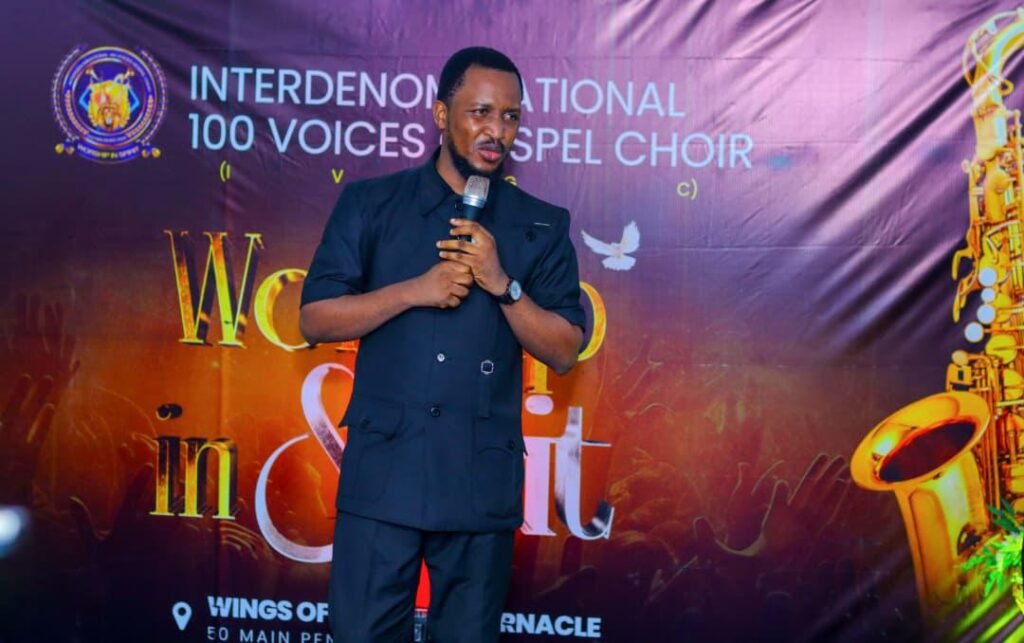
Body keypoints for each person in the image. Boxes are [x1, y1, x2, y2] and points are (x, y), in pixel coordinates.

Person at [299, 46, 586, 642]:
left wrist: (502, 284)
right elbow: (315, 319)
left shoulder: (541, 223)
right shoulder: (371, 203)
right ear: (439, 114)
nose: (496, 131)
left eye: (510, 116)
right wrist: (414, 291)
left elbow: (564, 350)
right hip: (385, 475)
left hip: (479, 483)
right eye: (480, 112)